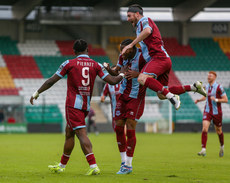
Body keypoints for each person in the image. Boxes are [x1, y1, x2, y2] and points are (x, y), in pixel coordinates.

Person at [30, 39, 125, 175]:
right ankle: (62, 166)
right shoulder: (96, 65)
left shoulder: (69, 63)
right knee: (69, 133)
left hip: (73, 105)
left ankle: (93, 166)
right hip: (85, 106)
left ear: (74, 51)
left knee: (81, 134)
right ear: (87, 50)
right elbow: (113, 80)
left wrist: (37, 93)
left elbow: (51, 81)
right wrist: (122, 73)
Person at [121, 4, 207, 109]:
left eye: (129, 16)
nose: (128, 19)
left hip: (158, 58)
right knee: (162, 94)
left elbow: (148, 31)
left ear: (137, 14)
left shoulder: (144, 20)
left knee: (141, 79)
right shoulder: (139, 27)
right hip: (163, 60)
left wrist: (131, 44)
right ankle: (193, 87)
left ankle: (172, 97)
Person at [104, 39, 147, 174]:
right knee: (118, 127)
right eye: (121, 50)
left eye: (125, 50)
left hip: (136, 96)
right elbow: (116, 73)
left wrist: (138, 74)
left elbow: (153, 74)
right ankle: (123, 162)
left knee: (130, 126)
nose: (122, 53)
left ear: (132, 48)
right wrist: (109, 69)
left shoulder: (142, 55)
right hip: (122, 94)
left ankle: (128, 165)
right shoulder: (123, 56)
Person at [195, 71, 228, 157]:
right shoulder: (206, 87)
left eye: (210, 76)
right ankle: (203, 149)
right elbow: (205, 96)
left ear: (215, 77)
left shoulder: (219, 87)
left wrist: (216, 100)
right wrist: (199, 100)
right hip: (208, 111)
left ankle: (222, 147)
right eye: (208, 76)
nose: (208, 77)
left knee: (219, 131)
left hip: (217, 112)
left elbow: (225, 99)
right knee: (205, 128)